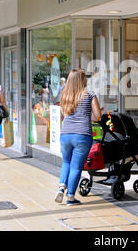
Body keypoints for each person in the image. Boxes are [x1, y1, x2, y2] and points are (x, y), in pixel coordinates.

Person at [55, 68, 102, 206]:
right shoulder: (89, 94)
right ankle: (70, 197)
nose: (86, 80)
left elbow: (64, 113)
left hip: (65, 134)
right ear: (82, 80)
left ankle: (61, 187)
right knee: (76, 167)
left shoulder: (65, 95)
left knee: (66, 162)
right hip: (82, 135)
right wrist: (90, 118)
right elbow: (98, 116)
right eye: (85, 78)